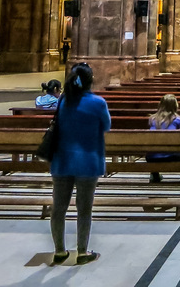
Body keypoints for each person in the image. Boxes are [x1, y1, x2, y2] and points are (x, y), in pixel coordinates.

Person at [49, 63, 110, 266]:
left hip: (62, 160)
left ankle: (59, 251)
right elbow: (106, 125)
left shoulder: (64, 101)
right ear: (91, 80)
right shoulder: (98, 103)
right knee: (84, 209)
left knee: (59, 208)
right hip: (87, 160)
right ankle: (82, 251)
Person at [147, 93, 180, 184]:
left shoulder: (152, 119)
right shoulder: (178, 120)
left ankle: (155, 174)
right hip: (172, 156)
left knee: (154, 148)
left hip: (151, 157)